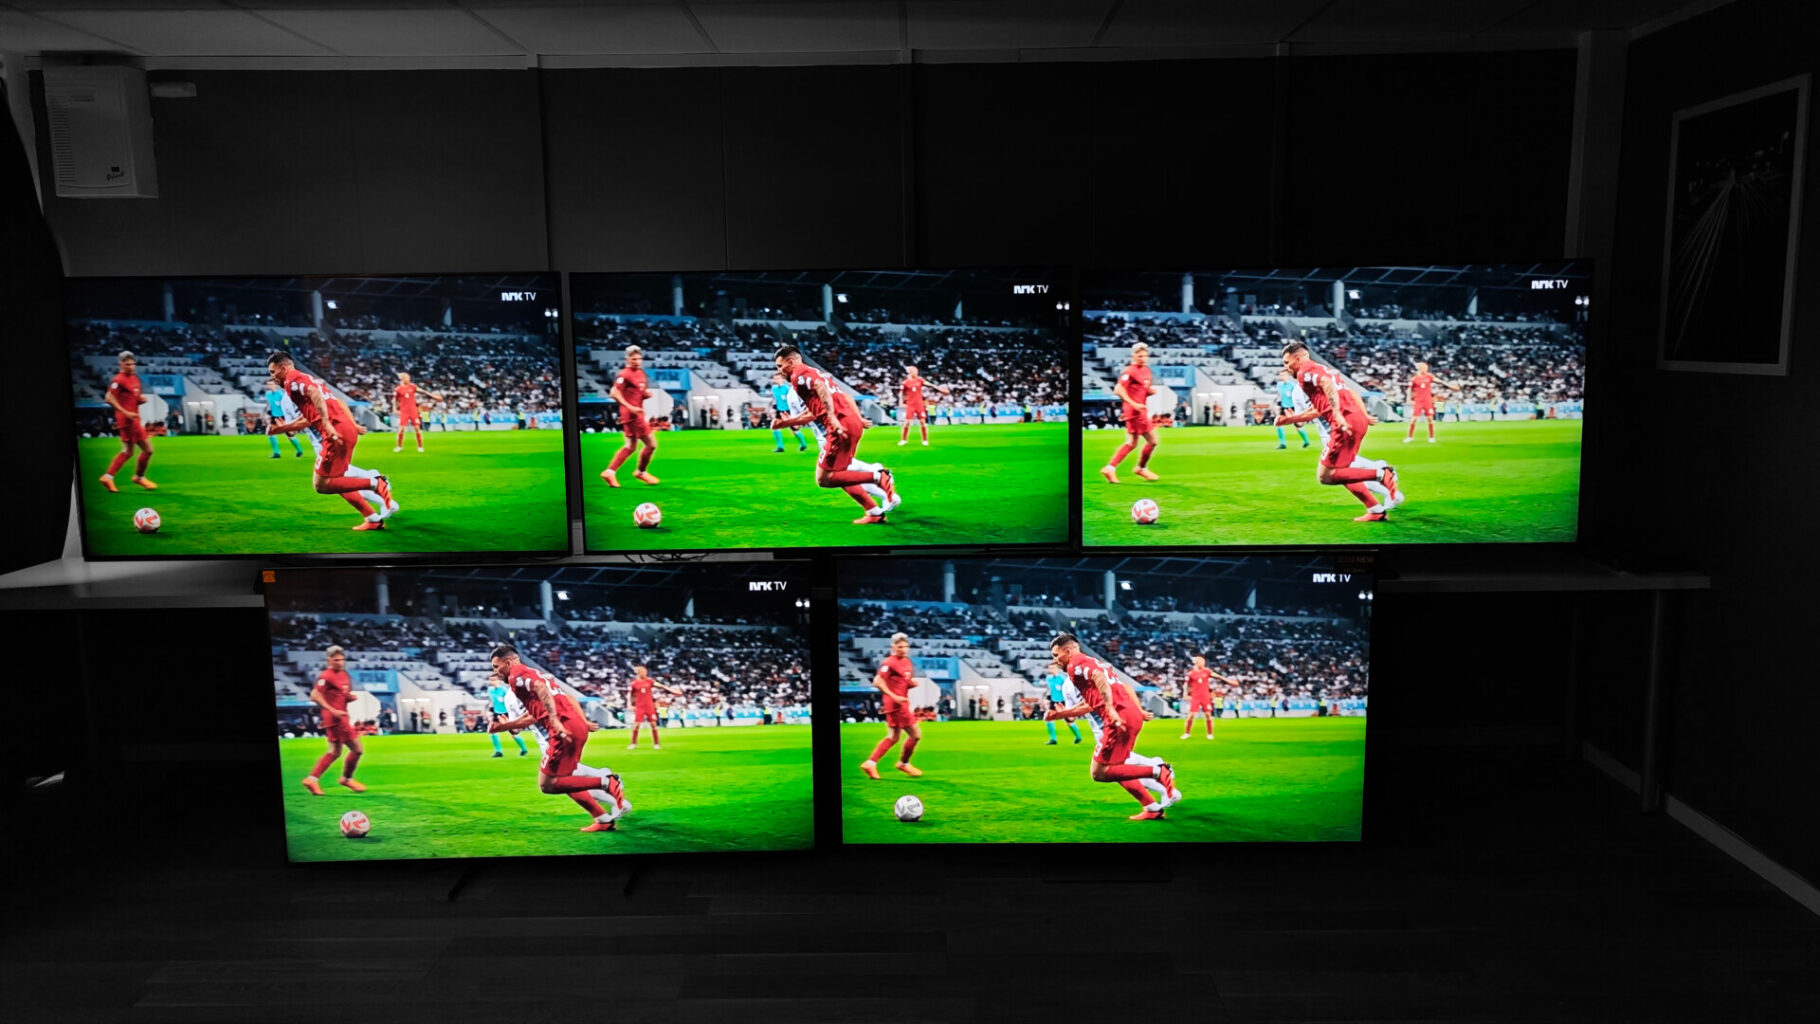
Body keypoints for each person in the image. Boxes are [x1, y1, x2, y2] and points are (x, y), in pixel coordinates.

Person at [488, 644, 620, 832]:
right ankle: (603, 817)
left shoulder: (517, 679)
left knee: (550, 784)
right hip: (569, 728)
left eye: (496, 667)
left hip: (558, 733)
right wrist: (508, 726)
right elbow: (548, 706)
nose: (495, 672)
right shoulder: (536, 674)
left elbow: (537, 699)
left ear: (508, 663)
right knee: (565, 778)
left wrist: (553, 720)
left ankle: (607, 781)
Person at [1047, 633, 1176, 820]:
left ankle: (1158, 769)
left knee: (1099, 772)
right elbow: (1100, 696)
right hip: (1128, 716)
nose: (1055, 660)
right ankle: (1152, 807)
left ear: (1067, 651)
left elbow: (1098, 677)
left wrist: (1109, 708)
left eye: (1056, 655)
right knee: (1117, 767)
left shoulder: (1075, 665)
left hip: (1116, 720)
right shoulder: (1093, 662)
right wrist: (1062, 714)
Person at [266, 353, 396, 531]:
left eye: (273, 372)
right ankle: (372, 517)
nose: (272, 377)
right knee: (336, 480)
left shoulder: (292, 382)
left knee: (322, 484)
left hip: (332, 435)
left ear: (283, 368)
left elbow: (315, 401)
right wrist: (284, 428)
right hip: (336, 433)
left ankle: (376, 482)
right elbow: (313, 415)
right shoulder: (302, 384)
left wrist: (326, 422)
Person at [1275, 341, 1402, 522]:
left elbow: (1326, 385)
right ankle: (1375, 509)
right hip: (1351, 421)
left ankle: (1382, 472)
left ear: (1298, 358)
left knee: (1326, 476)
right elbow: (1319, 407)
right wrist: (1291, 419)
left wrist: (1336, 413)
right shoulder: (1324, 370)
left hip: (1341, 425)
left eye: (1287, 363)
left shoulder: (1305, 372)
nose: (1286, 368)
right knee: (1342, 471)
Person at [772, 345, 900, 525]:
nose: (779, 371)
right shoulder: (813, 375)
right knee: (839, 473)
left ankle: (879, 476)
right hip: (841, 427)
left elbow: (821, 397)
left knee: (826, 478)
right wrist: (790, 422)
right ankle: (873, 510)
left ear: (791, 362)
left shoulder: (799, 377)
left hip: (835, 430)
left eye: (780, 366)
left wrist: (832, 417)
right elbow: (821, 407)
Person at [300, 645, 367, 796]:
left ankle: (312, 779)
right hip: (336, 719)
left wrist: (348, 698)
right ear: (329, 660)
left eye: (342, 659)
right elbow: (314, 695)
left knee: (334, 752)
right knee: (357, 750)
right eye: (336, 660)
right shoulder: (326, 676)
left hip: (341, 717)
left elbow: (339, 695)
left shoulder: (344, 674)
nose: (340, 662)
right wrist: (333, 710)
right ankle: (346, 779)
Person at [859, 632, 923, 779]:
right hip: (897, 705)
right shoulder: (889, 662)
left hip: (900, 702)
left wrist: (911, 684)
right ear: (893, 647)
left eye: (905, 646)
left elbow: (901, 682)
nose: (904, 649)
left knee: (893, 737)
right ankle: (903, 763)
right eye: (900, 647)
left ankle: (870, 763)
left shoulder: (907, 661)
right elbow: (877, 681)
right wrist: (894, 696)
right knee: (915, 735)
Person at [600, 345, 660, 488]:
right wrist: (630, 407)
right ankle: (641, 472)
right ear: (627, 359)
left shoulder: (640, 373)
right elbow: (614, 392)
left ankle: (610, 471)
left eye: (639, 359)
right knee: (651, 444)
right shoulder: (625, 374)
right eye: (634, 359)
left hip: (635, 413)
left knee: (630, 446)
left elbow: (636, 393)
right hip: (633, 415)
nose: (637, 361)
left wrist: (645, 395)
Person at [1100, 342, 1160, 484]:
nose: (1143, 359)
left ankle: (1110, 468)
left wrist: (1149, 392)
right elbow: (1118, 389)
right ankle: (1140, 468)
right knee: (1153, 441)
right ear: (1133, 356)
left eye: (1145, 356)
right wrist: (1133, 404)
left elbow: (1139, 390)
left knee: (1132, 443)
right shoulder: (1130, 371)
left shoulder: (1146, 370)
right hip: (1135, 411)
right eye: (1140, 356)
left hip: (1139, 409)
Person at [98, 350, 157, 493]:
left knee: (131, 451)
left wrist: (140, 400)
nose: (131, 366)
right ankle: (135, 477)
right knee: (144, 450)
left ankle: (111, 477)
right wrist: (125, 412)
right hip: (128, 420)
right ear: (121, 364)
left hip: (134, 418)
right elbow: (109, 398)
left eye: (132, 364)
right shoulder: (119, 380)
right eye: (127, 364)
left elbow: (132, 398)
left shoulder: (134, 378)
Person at [625, 664, 683, 750]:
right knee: (636, 725)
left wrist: (672, 690)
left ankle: (656, 744)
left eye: (646, 672)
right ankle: (633, 743)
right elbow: (630, 695)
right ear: (639, 673)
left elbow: (661, 685)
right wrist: (629, 704)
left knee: (653, 725)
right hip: (639, 707)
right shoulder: (634, 684)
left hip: (649, 706)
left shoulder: (649, 681)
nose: (645, 673)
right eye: (644, 672)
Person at [1404, 360, 1461, 444]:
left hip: (1428, 401)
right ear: (1420, 368)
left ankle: (1431, 437)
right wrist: (1408, 399)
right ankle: (1409, 437)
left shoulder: (1429, 376)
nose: (1426, 369)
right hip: (1418, 401)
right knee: (1414, 419)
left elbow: (1440, 381)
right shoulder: (1414, 379)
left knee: (1430, 419)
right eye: (1424, 368)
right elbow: (1409, 389)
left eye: (1426, 368)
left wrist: (1451, 386)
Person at [1181, 655, 1234, 740]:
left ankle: (1210, 734)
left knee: (1208, 715)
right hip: (1195, 696)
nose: (1203, 664)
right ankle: (1187, 733)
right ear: (1197, 663)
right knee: (1191, 715)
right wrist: (1185, 694)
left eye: (1204, 662)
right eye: (1202, 662)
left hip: (1205, 696)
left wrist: (1228, 680)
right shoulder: (1191, 674)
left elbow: (1217, 676)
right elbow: (1186, 685)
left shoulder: (1207, 671)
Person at [392, 371, 443, 453]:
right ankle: (399, 446)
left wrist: (433, 396)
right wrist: (394, 409)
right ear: (403, 379)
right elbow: (394, 400)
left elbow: (423, 391)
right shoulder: (398, 389)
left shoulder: (413, 386)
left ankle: (420, 446)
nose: (409, 379)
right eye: (407, 378)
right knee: (401, 429)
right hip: (404, 411)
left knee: (417, 429)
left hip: (413, 411)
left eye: (409, 378)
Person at [486, 675, 529, 758]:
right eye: (491, 680)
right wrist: (490, 711)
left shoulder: (504, 690)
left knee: (513, 733)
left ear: (498, 681)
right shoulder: (490, 690)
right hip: (497, 713)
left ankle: (524, 749)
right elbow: (493, 701)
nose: (492, 682)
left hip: (507, 713)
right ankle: (498, 751)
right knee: (492, 731)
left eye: (494, 680)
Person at [1042, 661, 1082, 746]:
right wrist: (1047, 699)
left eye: (1053, 668)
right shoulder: (1048, 678)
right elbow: (1050, 690)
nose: (1051, 670)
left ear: (1057, 669)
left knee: (1069, 721)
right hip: (1054, 701)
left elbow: (1069, 689)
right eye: (1050, 668)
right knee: (1049, 719)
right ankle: (1053, 739)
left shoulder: (1062, 679)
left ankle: (1078, 736)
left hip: (1064, 701)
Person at [768, 371, 808, 452]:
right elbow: (775, 400)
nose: (776, 380)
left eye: (778, 378)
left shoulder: (787, 389)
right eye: (775, 379)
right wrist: (772, 408)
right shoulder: (774, 389)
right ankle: (780, 447)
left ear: (782, 379)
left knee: (794, 430)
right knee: (775, 427)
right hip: (779, 410)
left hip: (789, 411)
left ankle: (803, 444)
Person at [265, 378, 304, 459]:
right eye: (268, 384)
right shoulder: (268, 394)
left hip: (283, 417)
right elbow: (270, 405)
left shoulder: (280, 395)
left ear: (275, 385)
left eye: (271, 384)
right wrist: (268, 414)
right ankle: (276, 452)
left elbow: (287, 405)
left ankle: (299, 450)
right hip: (274, 416)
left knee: (289, 435)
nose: (269, 386)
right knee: (270, 433)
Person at [1274, 369, 1310, 449]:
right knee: (1279, 424)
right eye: (1280, 375)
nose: (1281, 376)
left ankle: (1306, 441)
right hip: (1284, 407)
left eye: (1283, 375)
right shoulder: (1279, 385)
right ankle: (1283, 443)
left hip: (1293, 407)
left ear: (1287, 376)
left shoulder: (1292, 385)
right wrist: (1278, 405)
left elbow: (1298, 396)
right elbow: (1279, 396)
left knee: (1298, 426)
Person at [898, 364, 930, 447]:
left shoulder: (920, 380)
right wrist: (901, 402)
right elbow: (902, 394)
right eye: (915, 371)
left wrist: (936, 387)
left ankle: (925, 440)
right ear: (910, 372)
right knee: (907, 422)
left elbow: (928, 384)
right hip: (910, 405)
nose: (916, 373)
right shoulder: (905, 383)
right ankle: (904, 440)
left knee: (923, 422)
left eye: (917, 371)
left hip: (919, 405)